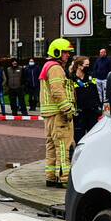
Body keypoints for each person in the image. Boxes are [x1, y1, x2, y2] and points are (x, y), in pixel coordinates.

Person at [40, 38, 75, 188]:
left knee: (52, 146)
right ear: (57, 52)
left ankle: (51, 176)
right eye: (65, 52)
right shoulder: (56, 68)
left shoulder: (47, 66)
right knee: (62, 146)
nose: (68, 55)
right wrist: (68, 109)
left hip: (50, 113)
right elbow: (57, 91)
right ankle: (64, 178)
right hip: (59, 113)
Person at [69, 56, 101, 144]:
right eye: (86, 65)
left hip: (92, 112)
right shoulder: (71, 78)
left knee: (92, 137)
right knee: (79, 137)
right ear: (79, 66)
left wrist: (98, 107)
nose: (88, 67)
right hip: (79, 113)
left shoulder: (90, 76)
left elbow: (95, 92)